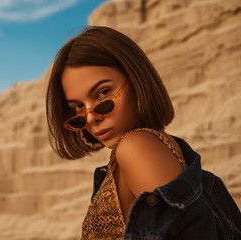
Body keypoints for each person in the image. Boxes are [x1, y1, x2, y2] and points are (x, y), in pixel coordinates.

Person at [46, 26, 241, 239]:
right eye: (78, 107)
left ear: (136, 79)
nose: (91, 117)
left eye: (103, 93)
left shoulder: (135, 146)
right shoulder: (153, 146)